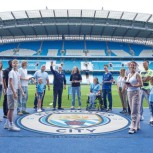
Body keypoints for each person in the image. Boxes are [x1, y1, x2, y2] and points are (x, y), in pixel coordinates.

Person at [4, 59, 25, 131]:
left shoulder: (17, 73)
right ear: (11, 64)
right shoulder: (11, 72)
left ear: (18, 64)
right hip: (11, 92)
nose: (15, 64)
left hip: (14, 91)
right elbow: (10, 83)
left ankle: (7, 123)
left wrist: (22, 91)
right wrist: (14, 93)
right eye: (14, 63)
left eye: (16, 63)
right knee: (11, 109)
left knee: (11, 108)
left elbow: (18, 84)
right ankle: (11, 124)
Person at [126, 61, 143, 134]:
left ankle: (133, 127)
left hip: (136, 92)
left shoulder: (137, 74)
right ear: (129, 66)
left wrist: (133, 86)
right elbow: (128, 84)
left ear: (136, 66)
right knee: (133, 109)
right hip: (129, 92)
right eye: (131, 65)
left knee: (134, 110)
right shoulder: (129, 74)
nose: (132, 66)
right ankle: (137, 125)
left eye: (133, 65)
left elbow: (141, 84)